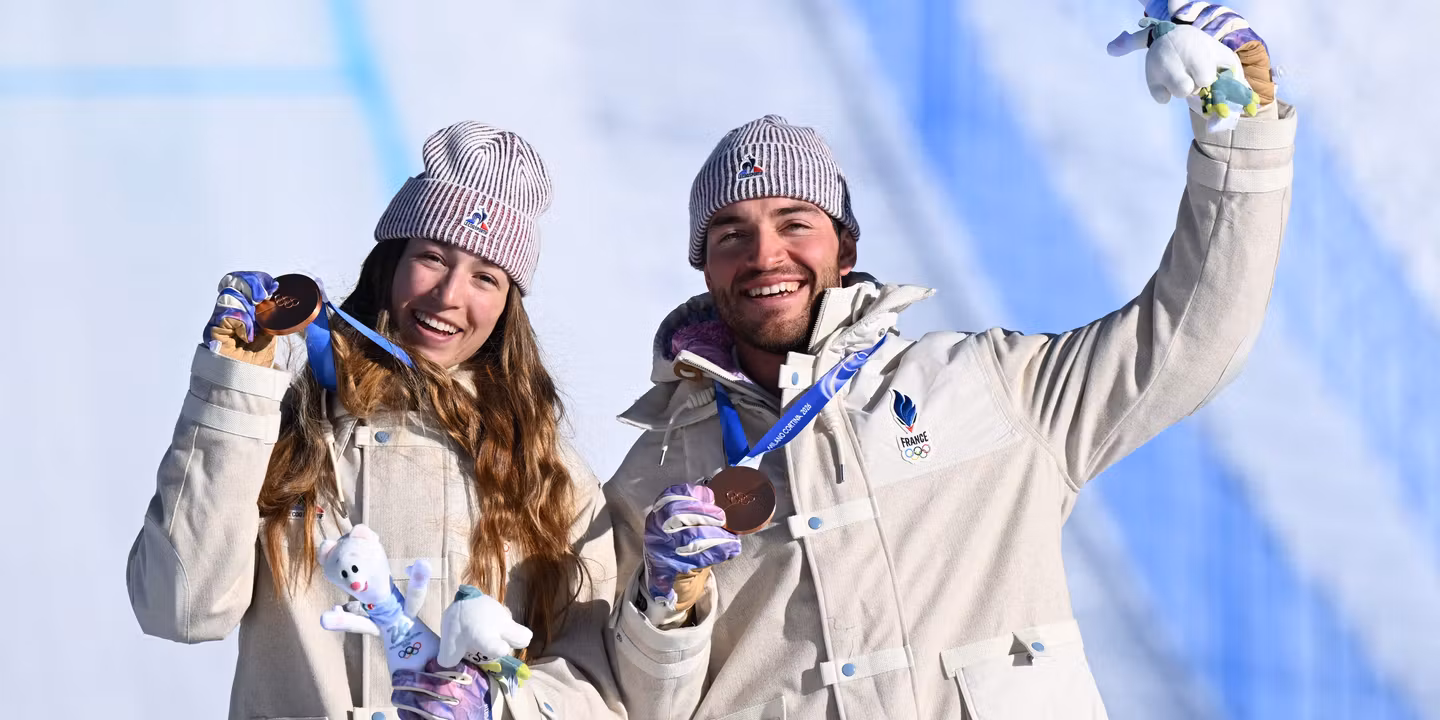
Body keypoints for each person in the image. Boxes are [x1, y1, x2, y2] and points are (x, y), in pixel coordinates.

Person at [603, 6, 1294, 718]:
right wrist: (662, 612)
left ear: (846, 251)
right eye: (730, 235)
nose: (764, 256)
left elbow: (1191, 335)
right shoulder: (653, 478)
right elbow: (628, 704)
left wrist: (1236, 128)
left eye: (794, 223)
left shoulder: (986, 389)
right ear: (705, 268)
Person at [127, 122, 623, 720]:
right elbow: (180, 608)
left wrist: (500, 703)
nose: (448, 296)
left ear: (507, 306)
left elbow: (597, 684)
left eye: (485, 277)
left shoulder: (547, 471)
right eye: (432, 258)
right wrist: (235, 386)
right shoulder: (281, 422)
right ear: (389, 264)